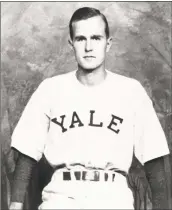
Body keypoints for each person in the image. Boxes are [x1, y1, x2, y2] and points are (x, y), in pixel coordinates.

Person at [9, 7, 170, 210]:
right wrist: (15, 204)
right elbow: (26, 152)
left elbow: (153, 159)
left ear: (108, 44)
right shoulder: (50, 89)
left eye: (96, 38)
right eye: (80, 39)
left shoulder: (131, 91)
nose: (88, 47)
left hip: (113, 197)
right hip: (61, 197)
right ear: (71, 44)